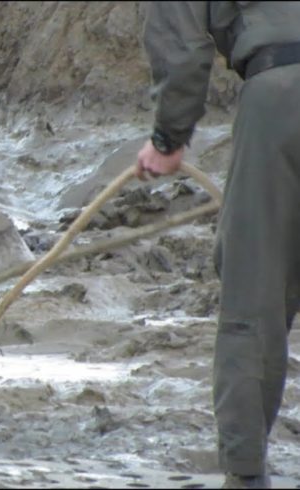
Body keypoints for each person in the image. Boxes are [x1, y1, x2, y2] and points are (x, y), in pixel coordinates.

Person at [136, 2, 300, 488]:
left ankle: (247, 474)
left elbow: (183, 50)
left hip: (280, 96)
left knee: (255, 290)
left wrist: (168, 138)